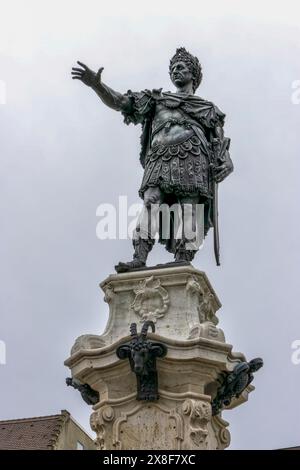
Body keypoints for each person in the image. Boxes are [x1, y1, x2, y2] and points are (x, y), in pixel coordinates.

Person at [72, 47, 233, 271]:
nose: (176, 71)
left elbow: (220, 144)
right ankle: (139, 256)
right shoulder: (155, 100)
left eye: (181, 67)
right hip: (159, 158)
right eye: (173, 68)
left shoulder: (207, 108)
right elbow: (121, 102)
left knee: (188, 207)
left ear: (193, 74)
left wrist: (226, 162)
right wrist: (97, 85)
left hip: (193, 157)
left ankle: (183, 257)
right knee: (151, 202)